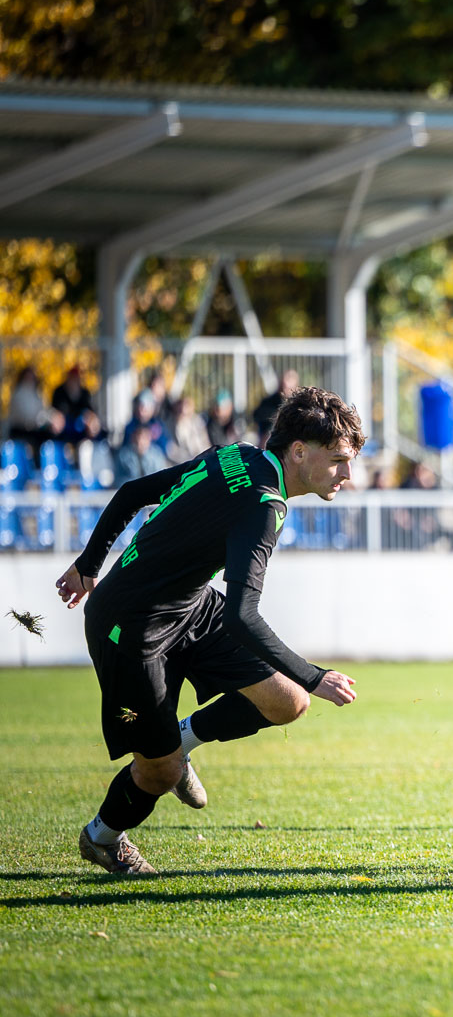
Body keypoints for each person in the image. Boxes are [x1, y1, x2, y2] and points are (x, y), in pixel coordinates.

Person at [55, 387, 364, 874]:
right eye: (339, 460)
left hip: (190, 607)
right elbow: (243, 615)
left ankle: (181, 742)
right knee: (159, 773)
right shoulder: (263, 505)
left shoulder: (235, 454)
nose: (348, 475)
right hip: (130, 626)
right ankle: (103, 838)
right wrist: (314, 675)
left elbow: (132, 493)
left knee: (287, 701)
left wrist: (89, 565)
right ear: (299, 451)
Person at [253, 369, 300, 446]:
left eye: (288, 386)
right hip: (269, 436)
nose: (285, 387)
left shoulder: (298, 404)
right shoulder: (269, 402)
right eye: (284, 385)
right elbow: (257, 416)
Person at [50, 366, 95, 441]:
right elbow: (53, 410)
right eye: (72, 378)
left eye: (76, 378)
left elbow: (89, 411)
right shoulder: (59, 392)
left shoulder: (85, 393)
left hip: (81, 427)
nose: (73, 381)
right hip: (63, 428)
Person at [166, 397, 211, 464]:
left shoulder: (197, 422)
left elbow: (204, 443)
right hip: (182, 462)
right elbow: (172, 450)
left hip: (200, 458)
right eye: (181, 408)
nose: (183, 410)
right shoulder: (170, 424)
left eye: (187, 406)